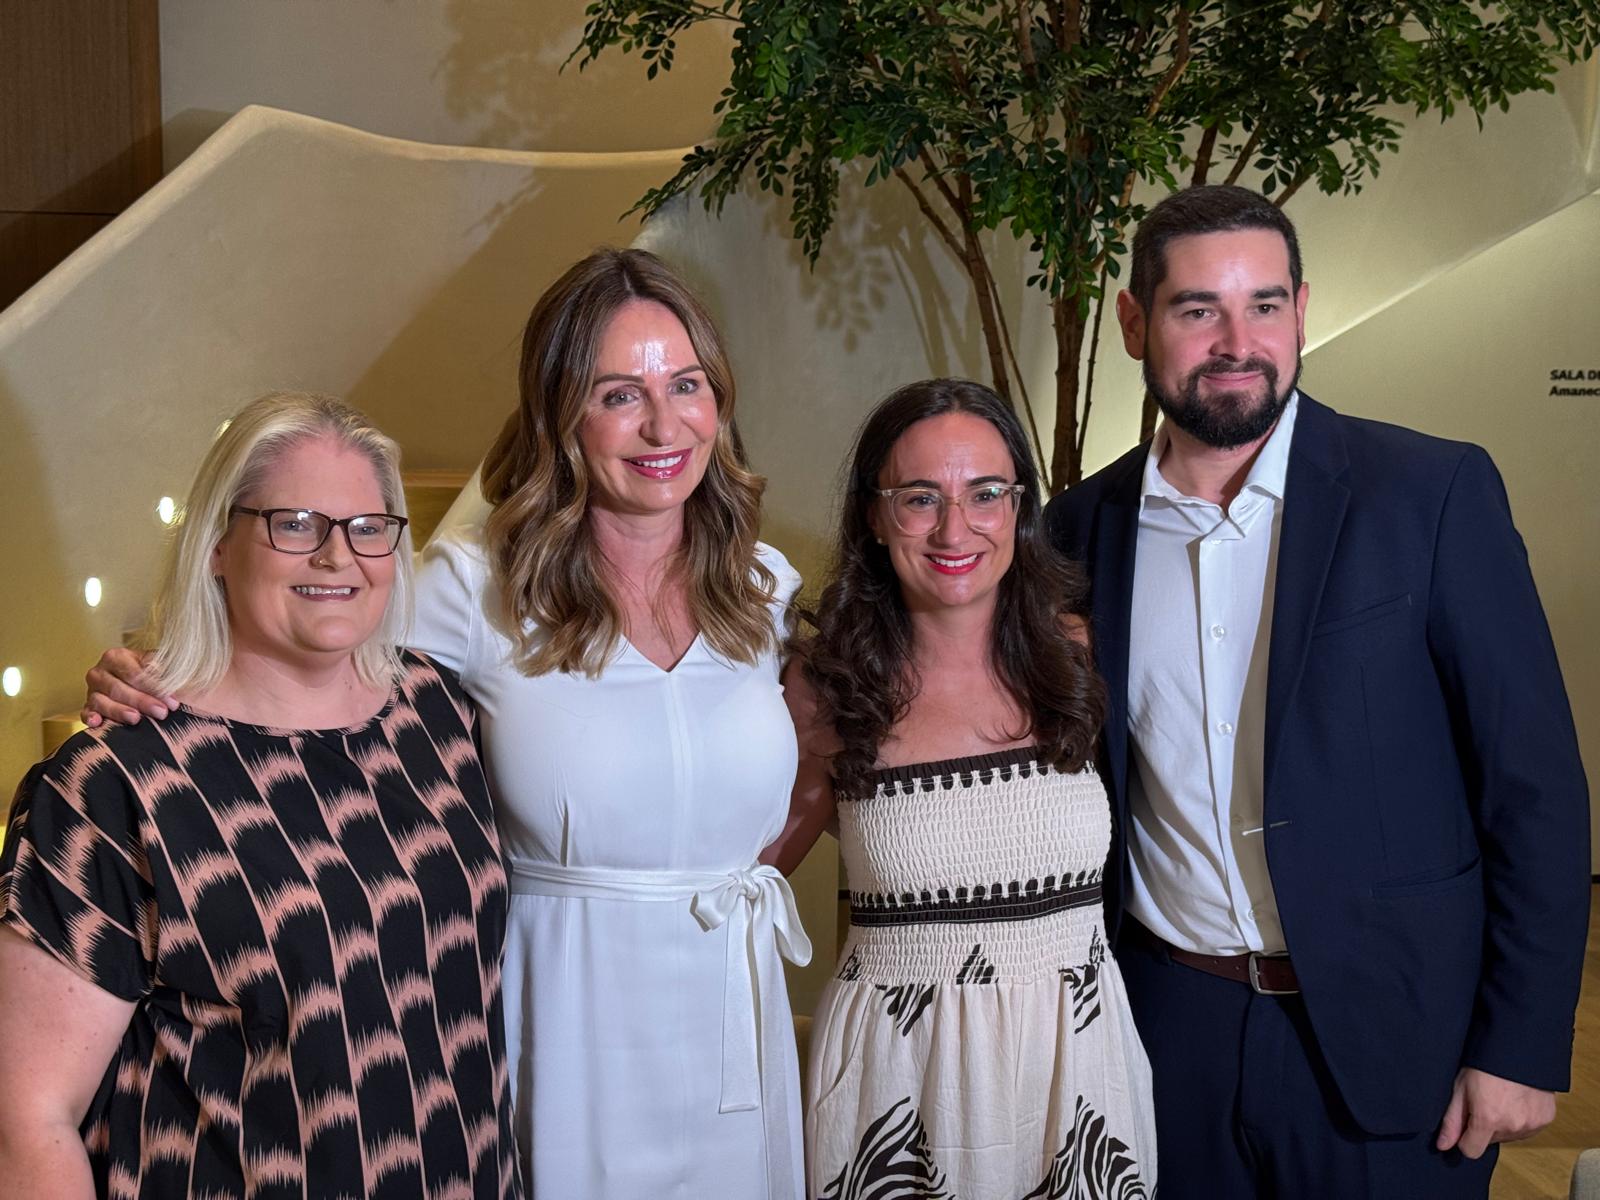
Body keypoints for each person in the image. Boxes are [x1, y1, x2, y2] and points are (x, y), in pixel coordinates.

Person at [81, 250, 811, 1200]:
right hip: (564, 1016)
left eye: (687, 385)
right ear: (560, 413)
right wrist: (163, 670)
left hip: (734, 1022)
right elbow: (307, 655)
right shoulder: (474, 589)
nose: (664, 425)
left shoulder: (764, 588)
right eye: (619, 395)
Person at [1044, 184, 1590, 1197]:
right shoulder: (1077, 531)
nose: (1236, 342)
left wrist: (1519, 1041)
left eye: (1264, 305)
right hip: (1166, 1033)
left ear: (1300, 311)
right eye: (1197, 308)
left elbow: (1534, 787)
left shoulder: (1429, 494)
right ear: (1133, 323)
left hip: (1398, 1036)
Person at [0, 393, 521, 1198]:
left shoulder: (436, 711)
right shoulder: (115, 784)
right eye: (296, 524)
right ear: (216, 544)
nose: (338, 557)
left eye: (368, 527)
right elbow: (27, 1120)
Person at [764, 379, 1156, 1198]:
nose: (955, 528)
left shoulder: (1078, 658)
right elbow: (737, 879)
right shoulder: (828, 685)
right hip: (900, 1086)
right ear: (874, 516)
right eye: (919, 498)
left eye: (985, 493)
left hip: (1076, 1071)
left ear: (1018, 507)